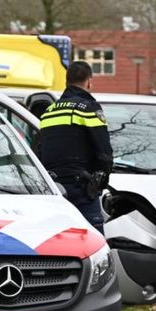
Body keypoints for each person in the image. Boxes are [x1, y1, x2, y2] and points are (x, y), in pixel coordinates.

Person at [37, 60, 113, 234]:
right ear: (88, 82)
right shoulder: (88, 108)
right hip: (82, 189)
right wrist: (101, 182)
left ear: (67, 81)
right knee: (93, 241)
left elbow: (40, 151)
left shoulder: (50, 111)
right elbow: (104, 151)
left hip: (55, 189)